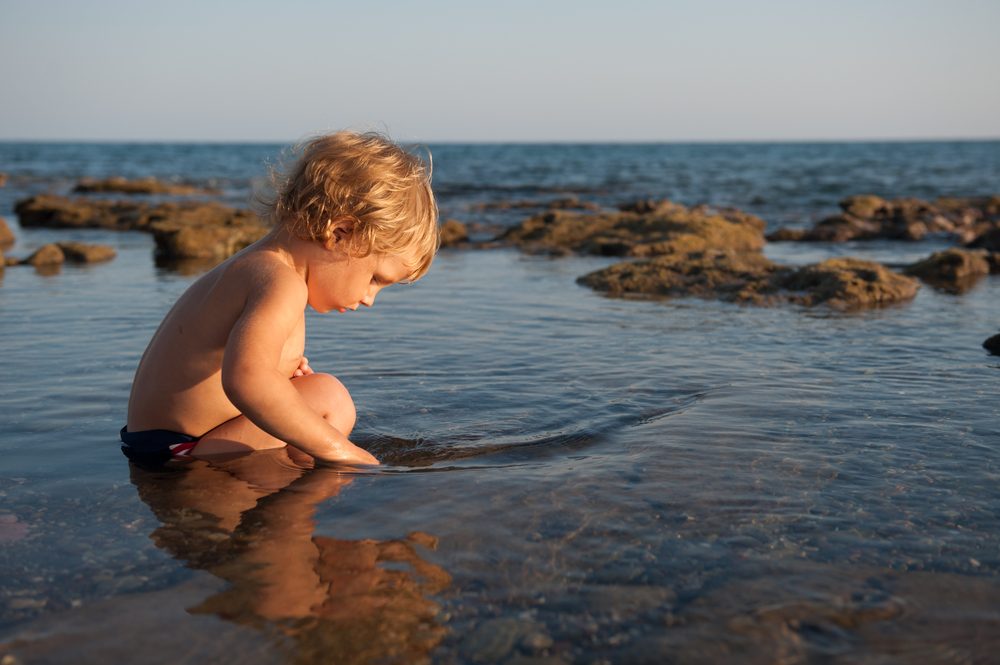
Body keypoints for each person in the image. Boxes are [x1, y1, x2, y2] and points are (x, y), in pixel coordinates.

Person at [121, 131, 439, 465]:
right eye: (375, 279)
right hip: (182, 452)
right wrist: (343, 451)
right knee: (330, 398)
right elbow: (246, 379)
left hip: (161, 442)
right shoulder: (281, 282)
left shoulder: (257, 266)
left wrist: (282, 375)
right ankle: (301, 502)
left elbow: (231, 368)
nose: (370, 298)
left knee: (310, 394)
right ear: (339, 233)